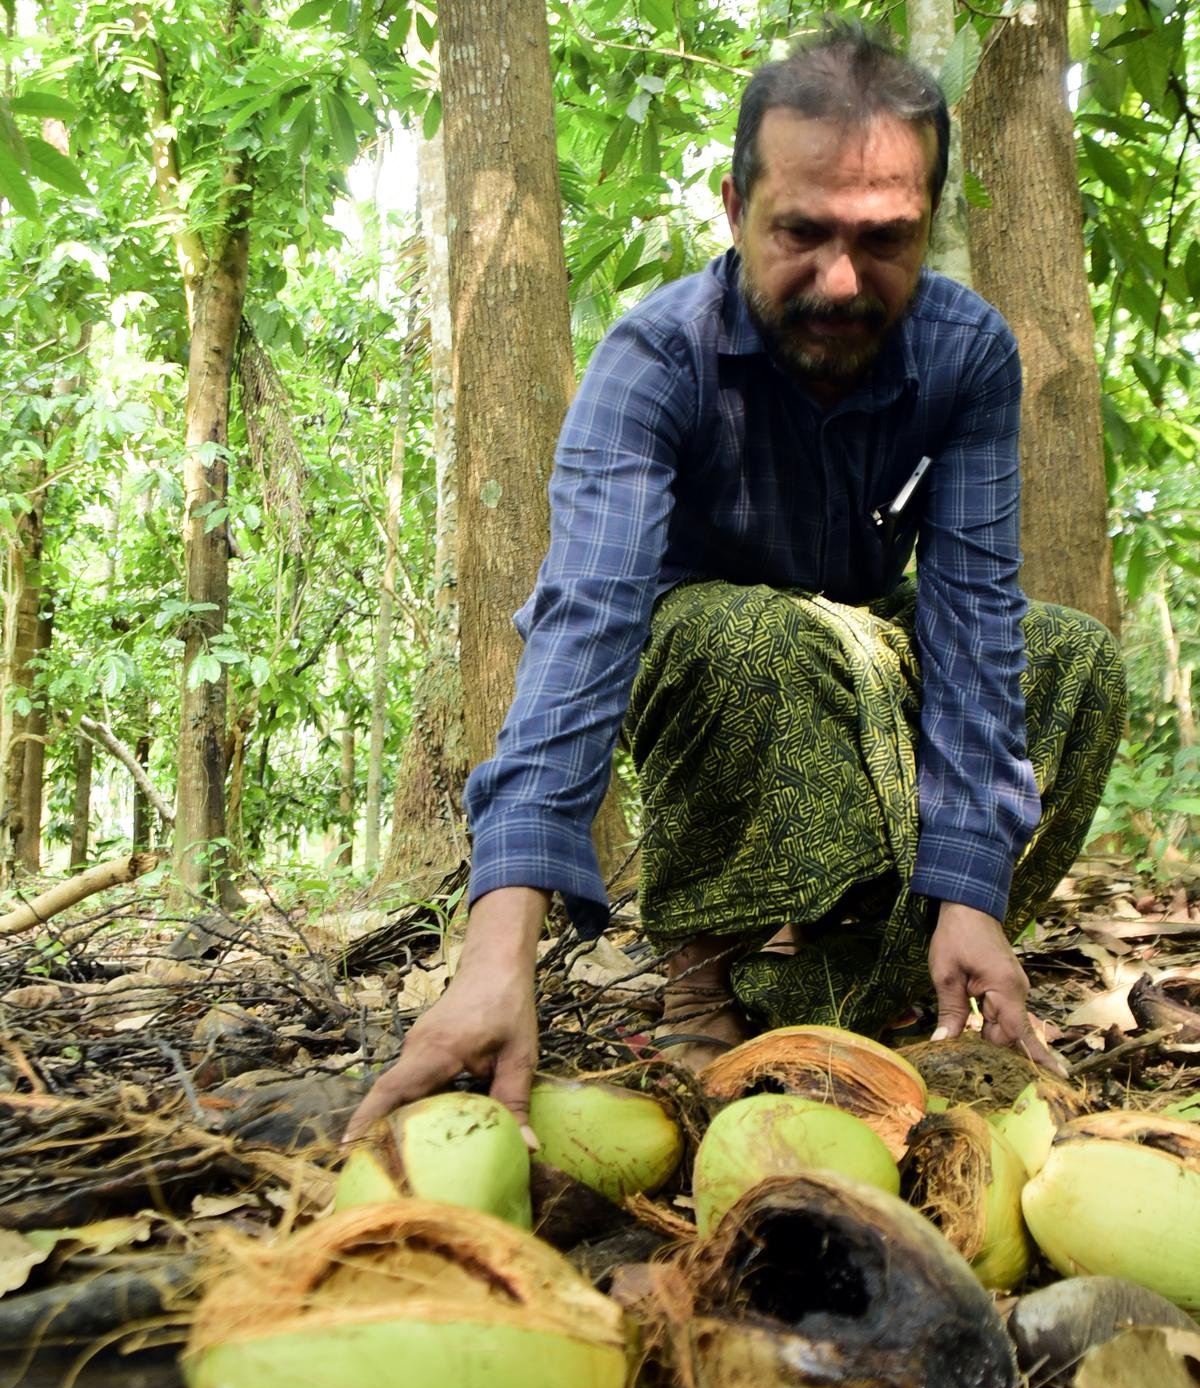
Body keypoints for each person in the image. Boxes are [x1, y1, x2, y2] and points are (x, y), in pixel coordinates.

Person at [346, 19, 1124, 1144]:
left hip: (865, 645)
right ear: (733, 209)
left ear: (930, 226)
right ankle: (706, 974)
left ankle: (879, 984)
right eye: (801, 233)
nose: (843, 280)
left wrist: (974, 890)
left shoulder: (967, 354)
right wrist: (496, 946)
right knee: (749, 632)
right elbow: (586, 622)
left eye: (887, 240)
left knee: (1072, 654)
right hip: (708, 665)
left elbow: (975, 622)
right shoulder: (658, 358)